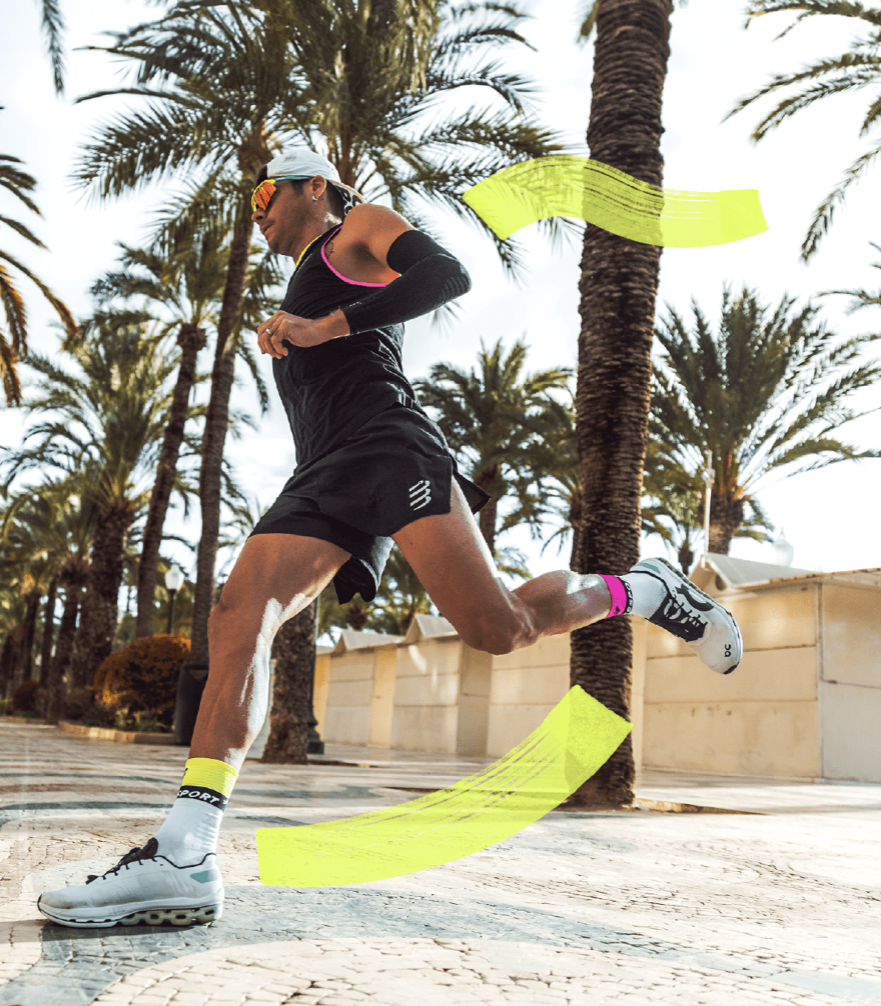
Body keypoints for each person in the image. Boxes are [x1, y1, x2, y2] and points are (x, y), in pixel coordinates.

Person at [37, 149, 742, 929]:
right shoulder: (306, 275)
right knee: (240, 614)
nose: (257, 209)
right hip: (324, 472)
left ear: (315, 187)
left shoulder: (356, 229)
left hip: (388, 448)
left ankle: (644, 589)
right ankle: (185, 855)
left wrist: (325, 324)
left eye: (266, 191)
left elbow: (445, 275)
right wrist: (302, 331)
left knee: (499, 629)